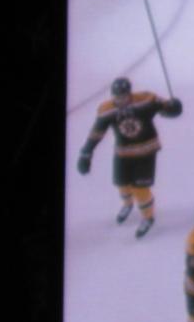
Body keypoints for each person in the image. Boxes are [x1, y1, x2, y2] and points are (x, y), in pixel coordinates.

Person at [76, 77, 183, 238]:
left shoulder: (146, 99)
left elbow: (165, 108)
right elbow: (97, 132)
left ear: (130, 93)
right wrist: (86, 152)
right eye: (117, 97)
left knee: (140, 188)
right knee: (122, 184)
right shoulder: (106, 109)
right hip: (123, 153)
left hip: (146, 151)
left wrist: (173, 107)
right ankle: (127, 204)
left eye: (124, 96)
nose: (121, 100)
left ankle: (148, 217)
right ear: (112, 95)